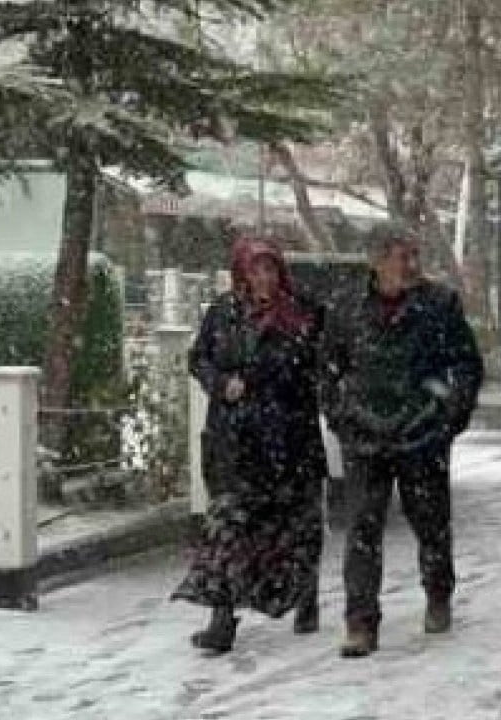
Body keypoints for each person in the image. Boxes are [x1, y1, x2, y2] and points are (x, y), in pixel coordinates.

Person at [322, 221, 485, 658]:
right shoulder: (345, 306)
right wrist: (342, 417)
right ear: (376, 261)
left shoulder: (438, 303)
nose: (412, 265)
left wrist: (449, 417)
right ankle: (359, 621)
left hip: (422, 434)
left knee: (430, 522)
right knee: (361, 529)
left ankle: (437, 593)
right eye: (402, 256)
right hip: (365, 436)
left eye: (415, 255)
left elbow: (466, 364)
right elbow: (328, 370)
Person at [172, 237, 328, 654]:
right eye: (256, 269)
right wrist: (222, 384)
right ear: (241, 272)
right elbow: (198, 358)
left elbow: (321, 365)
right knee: (227, 527)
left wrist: (287, 383)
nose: (264, 278)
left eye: (270, 269)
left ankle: (303, 594)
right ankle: (221, 618)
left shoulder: (302, 313)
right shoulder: (223, 312)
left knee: (294, 524)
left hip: (287, 439)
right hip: (235, 441)